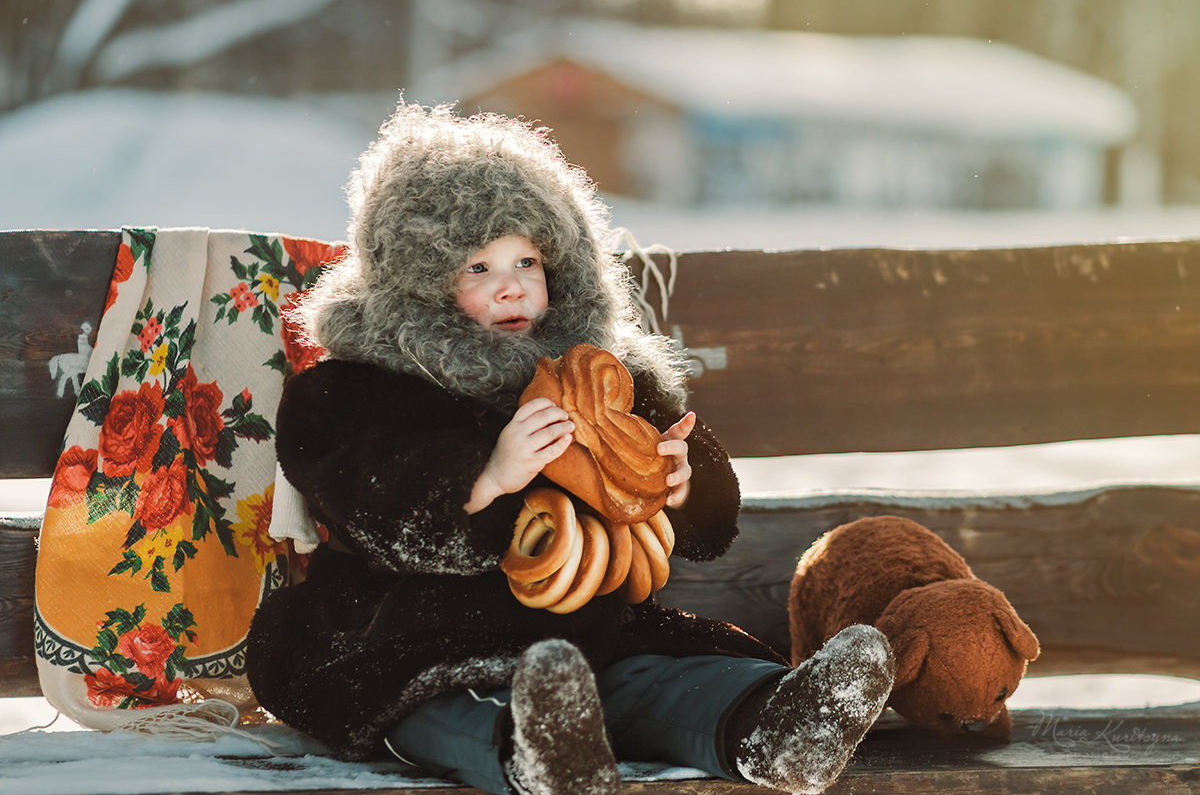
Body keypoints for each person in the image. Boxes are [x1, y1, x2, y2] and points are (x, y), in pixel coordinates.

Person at [245, 102, 894, 795]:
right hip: (418, 630)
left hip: (595, 634)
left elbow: (688, 476)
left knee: (666, 675)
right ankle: (532, 750)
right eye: (478, 266)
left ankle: (776, 727)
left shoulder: (600, 374)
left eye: (528, 258)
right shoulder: (360, 387)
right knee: (429, 700)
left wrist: (682, 479)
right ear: (420, 284)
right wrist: (485, 475)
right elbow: (356, 489)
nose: (512, 283)